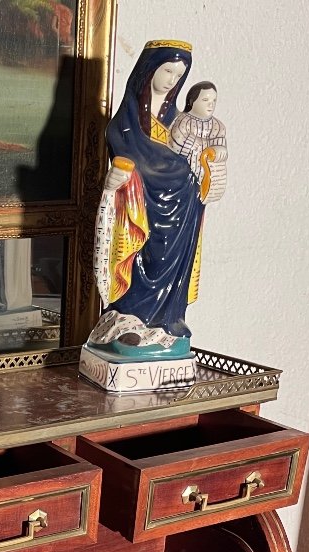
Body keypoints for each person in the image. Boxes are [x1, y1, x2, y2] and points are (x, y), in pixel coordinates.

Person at [89, 40, 206, 360]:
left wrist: (206, 176)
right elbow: (125, 166)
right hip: (139, 211)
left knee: (171, 270)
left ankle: (166, 322)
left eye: (179, 75)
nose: (171, 80)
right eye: (167, 70)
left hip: (182, 212)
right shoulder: (125, 124)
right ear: (147, 71)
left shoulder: (183, 124)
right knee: (139, 262)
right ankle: (128, 320)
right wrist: (114, 182)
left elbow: (197, 162)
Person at [170, 81, 227, 204]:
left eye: (214, 101)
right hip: (182, 174)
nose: (211, 105)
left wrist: (217, 151)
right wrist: (198, 144)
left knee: (198, 203)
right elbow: (176, 142)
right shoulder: (183, 120)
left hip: (206, 175)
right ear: (192, 101)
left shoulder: (217, 126)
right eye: (205, 100)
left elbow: (221, 147)